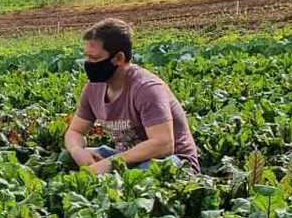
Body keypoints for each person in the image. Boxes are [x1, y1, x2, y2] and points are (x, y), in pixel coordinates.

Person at [64, 18, 199, 174]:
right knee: (67, 156)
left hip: (173, 161)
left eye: (95, 58)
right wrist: (77, 151)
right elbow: (75, 131)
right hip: (127, 158)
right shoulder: (94, 88)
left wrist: (111, 163)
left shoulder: (147, 88)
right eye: (86, 57)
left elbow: (164, 144)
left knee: (145, 171)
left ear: (119, 58)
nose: (88, 63)